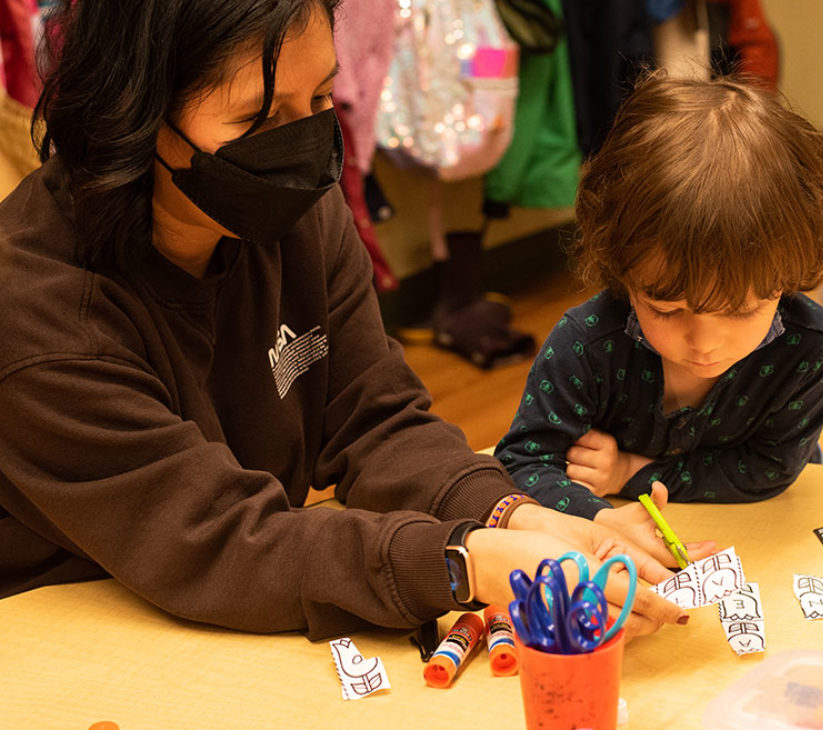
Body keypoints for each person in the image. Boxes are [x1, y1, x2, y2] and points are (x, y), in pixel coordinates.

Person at [0, 0, 686, 641]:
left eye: (321, 98)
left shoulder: (288, 207)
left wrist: (515, 515)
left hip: (235, 598)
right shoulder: (41, 313)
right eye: (259, 120)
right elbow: (218, 540)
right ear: (134, 114)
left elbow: (376, 419)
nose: (302, 144)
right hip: (76, 627)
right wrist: (468, 563)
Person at [493, 73, 823, 564]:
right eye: (667, 309)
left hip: (767, 545)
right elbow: (521, 461)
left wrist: (630, 471)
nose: (705, 343)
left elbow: (768, 469)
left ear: (788, 275)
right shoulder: (588, 343)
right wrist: (600, 520)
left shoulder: (814, 347)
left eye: (742, 309)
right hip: (615, 555)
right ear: (623, 270)